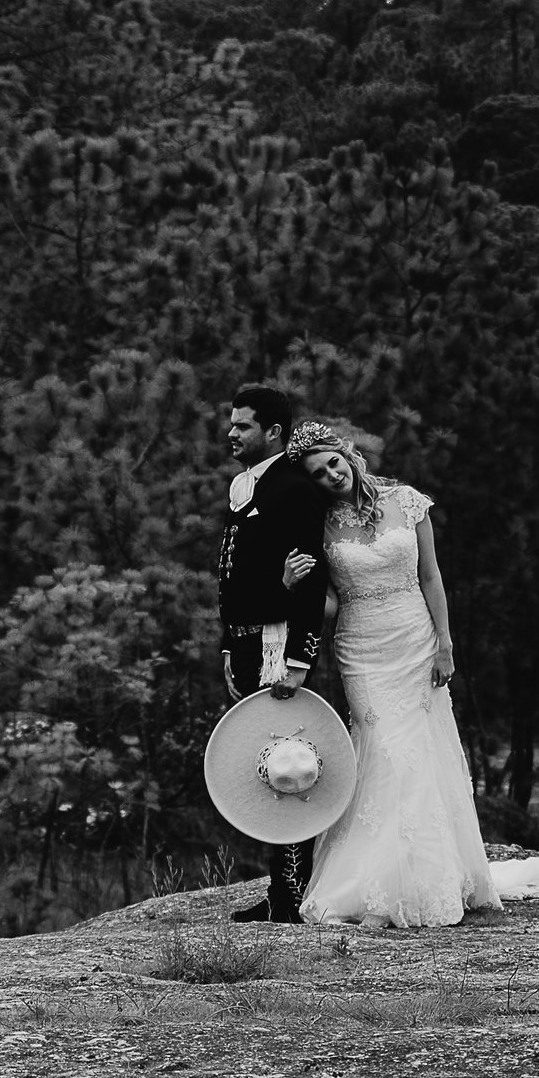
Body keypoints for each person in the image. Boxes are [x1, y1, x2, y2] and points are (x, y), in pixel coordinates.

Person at [280, 421, 500, 927]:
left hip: (415, 639)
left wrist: (446, 643)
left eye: (333, 462)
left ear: (348, 454)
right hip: (361, 646)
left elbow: (430, 576)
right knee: (381, 749)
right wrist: (292, 584)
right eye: (318, 473)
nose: (331, 475)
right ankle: (373, 885)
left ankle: (425, 878)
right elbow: (329, 604)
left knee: (421, 753)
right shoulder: (319, 524)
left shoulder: (407, 500)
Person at [213, 384, 332, 922]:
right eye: (231, 423)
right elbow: (235, 576)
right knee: (259, 761)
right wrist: (226, 644)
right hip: (244, 643)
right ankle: (281, 893)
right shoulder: (245, 485)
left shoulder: (293, 487)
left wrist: (301, 658)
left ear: (274, 433)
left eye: (241, 425)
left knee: (290, 765)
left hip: (278, 647)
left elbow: (311, 579)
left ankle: (289, 896)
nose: (230, 432)